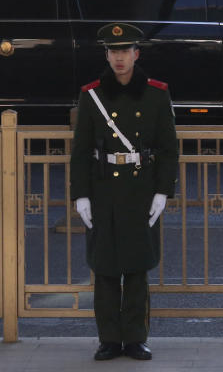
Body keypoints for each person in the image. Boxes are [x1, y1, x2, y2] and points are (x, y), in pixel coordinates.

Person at [70, 22, 179, 362]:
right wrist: (81, 194)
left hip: (140, 188)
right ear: (107, 55)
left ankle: (134, 338)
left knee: (135, 267)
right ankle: (108, 339)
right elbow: (81, 149)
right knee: (104, 269)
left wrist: (163, 191)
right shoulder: (92, 95)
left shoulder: (157, 94)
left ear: (136, 54)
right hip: (103, 188)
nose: (119, 58)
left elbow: (167, 148)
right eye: (113, 52)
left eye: (125, 51)